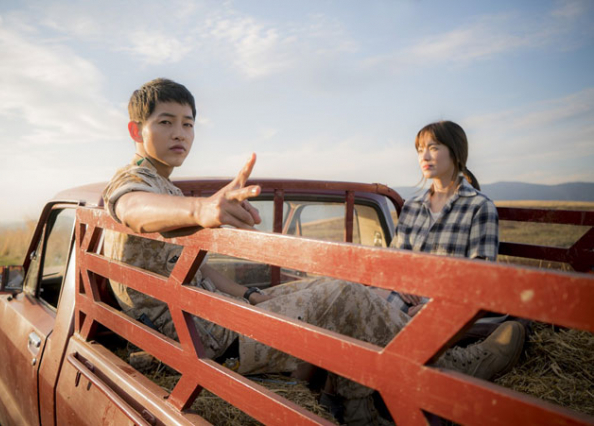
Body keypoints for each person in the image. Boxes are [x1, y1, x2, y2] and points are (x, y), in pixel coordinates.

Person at [102, 79, 524, 425]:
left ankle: (357, 409)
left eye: (188, 123)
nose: (180, 133)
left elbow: (199, 272)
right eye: (166, 122)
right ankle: (455, 370)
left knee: (335, 286)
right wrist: (202, 208)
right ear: (136, 130)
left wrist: (250, 295)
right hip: (201, 339)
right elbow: (132, 209)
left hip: (207, 319)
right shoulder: (134, 186)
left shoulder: (165, 185)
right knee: (347, 297)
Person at [381, 121, 500, 318]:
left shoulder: (479, 207)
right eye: (420, 150)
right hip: (400, 302)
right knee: (346, 294)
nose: (424, 157)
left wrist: (436, 308)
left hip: (447, 313)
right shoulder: (412, 206)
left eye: (433, 148)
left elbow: (481, 281)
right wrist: (399, 280)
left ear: (455, 152)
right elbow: (394, 260)